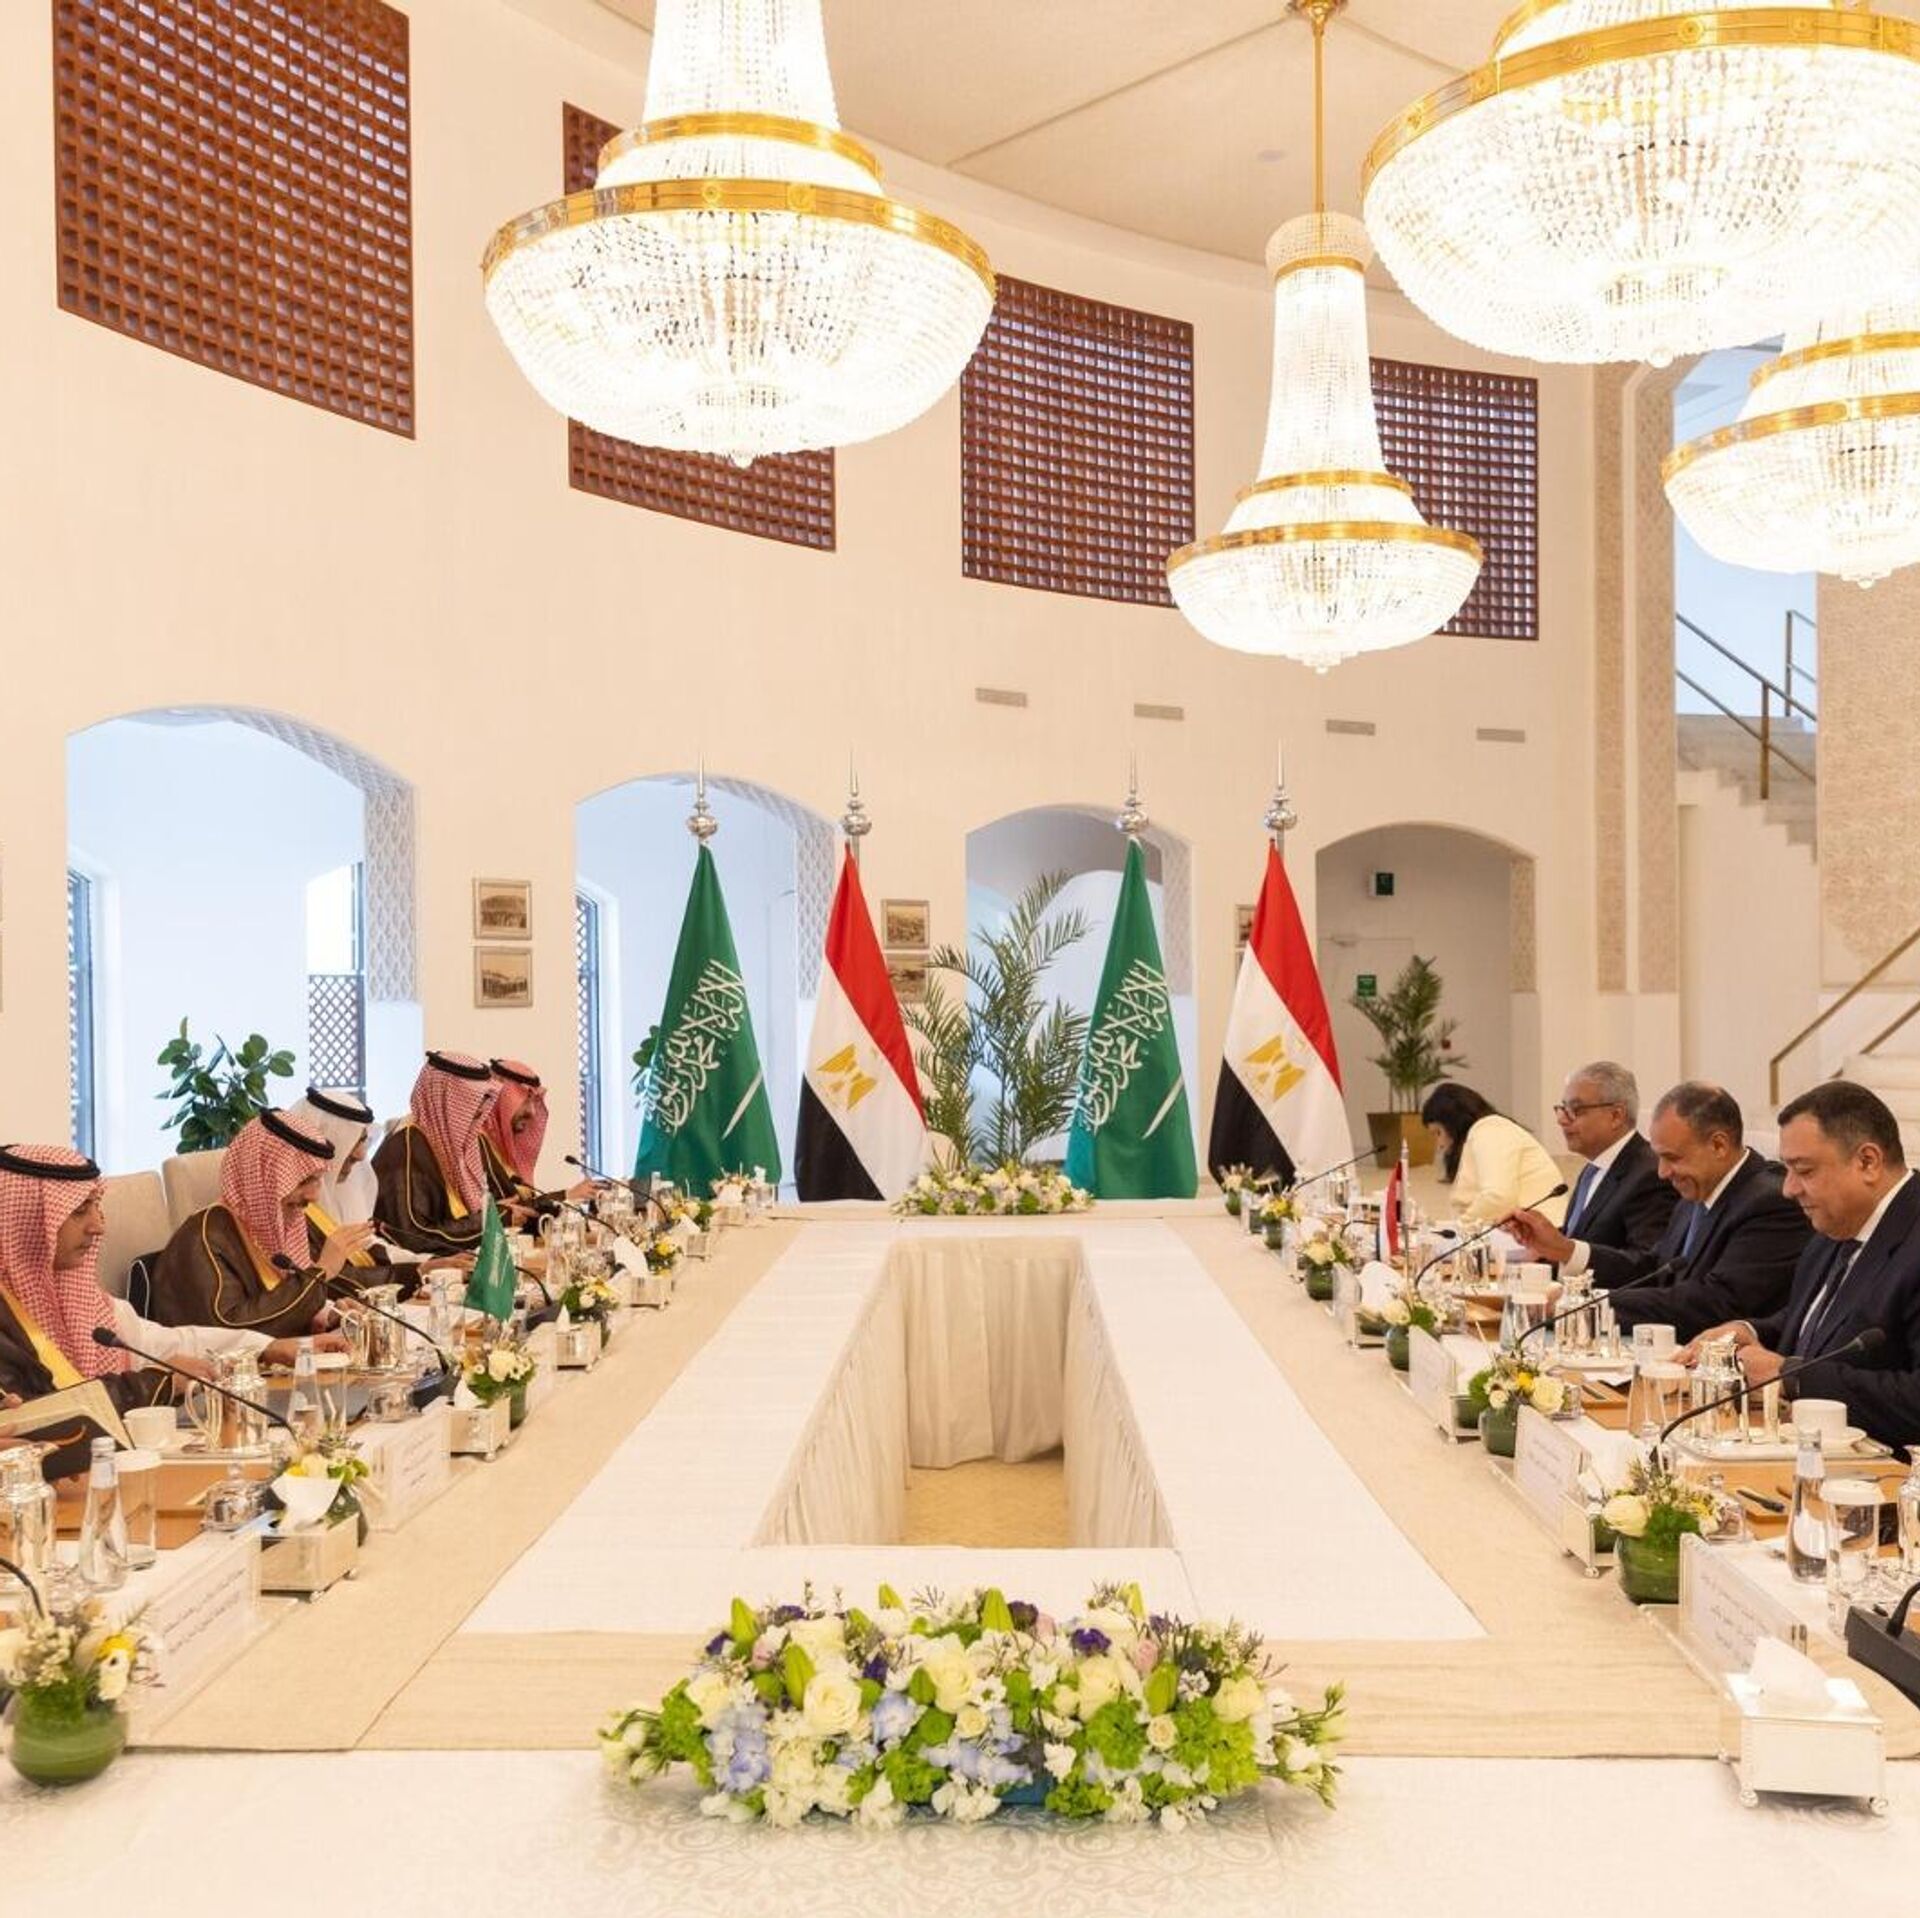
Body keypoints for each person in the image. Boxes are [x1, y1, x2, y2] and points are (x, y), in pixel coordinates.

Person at [0, 1143, 332, 1409]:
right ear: (24, 1221)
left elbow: (164, 1342)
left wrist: (268, 1348)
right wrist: (159, 1382)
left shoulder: (77, 1294)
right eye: (78, 1212)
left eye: (94, 1208)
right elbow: (37, 1410)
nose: (98, 1226)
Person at [1685, 1081, 1920, 1451]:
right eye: (1787, 1170)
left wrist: (1792, 1377)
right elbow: (1822, 1326)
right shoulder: (1835, 1224)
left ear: (1868, 1162)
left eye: (1804, 1171)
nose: (1788, 1189)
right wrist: (1749, 1331)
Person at [147, 1111, 370, 1338]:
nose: (314, 1196)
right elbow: (231, 1332)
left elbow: (278, 1299)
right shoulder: (203, 1239)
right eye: (304, 1181)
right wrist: (322, 1271)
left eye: (317, 1180)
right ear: (263, 1177)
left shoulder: (278, 1222)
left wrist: (326, 1316)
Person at [1504, 1062, 1676, 1283]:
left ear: (1616, 1115)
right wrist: (1540, 1240)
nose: (1561, 1120)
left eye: (1575, 1110)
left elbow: (1648, 1266)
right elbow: (1584, 1239)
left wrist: (1565, 1248)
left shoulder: (1651, 1173)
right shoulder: (1592, 1169)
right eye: (1562, 1108)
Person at [288, 1087, 467, 1291]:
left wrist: (428, 1264)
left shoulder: (343, 1186)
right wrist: (417, 1272)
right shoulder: (295, 1205)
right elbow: (331, 1280)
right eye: (352, 1141)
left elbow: (368, 1246)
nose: (361, 1155)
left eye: (363, 1139)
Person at [372, 1051, 498, 1255]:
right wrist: (491, 1221)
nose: (479, 1112)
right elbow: (415, 1237)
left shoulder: (448, 1145)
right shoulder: (406, 1148)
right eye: (471, 1104)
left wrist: (490, 1219)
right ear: (444, 1101)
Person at [1419, 1083, 1567, 1229]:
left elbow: (1498, 1197)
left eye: (1438, 1132)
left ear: (1454, 1123)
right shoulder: (1487, 1133)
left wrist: (1460, 1227)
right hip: (1528, 1232)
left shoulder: (1489, 1131)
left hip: (1540, 1234)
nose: (1439, 1145)